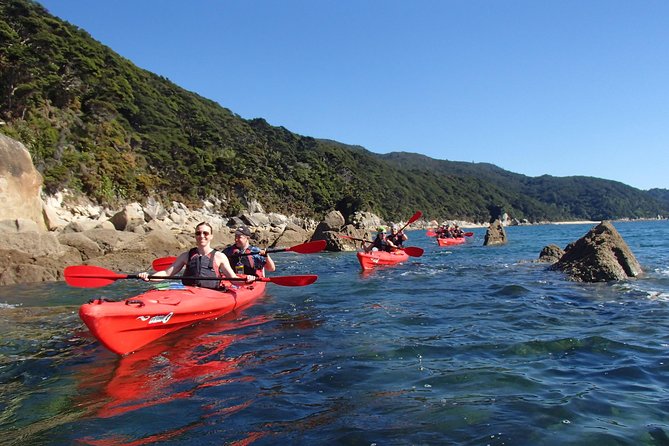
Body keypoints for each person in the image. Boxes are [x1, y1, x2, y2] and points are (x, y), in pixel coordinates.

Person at [138, 222, 249, 289]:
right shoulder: (186, 256)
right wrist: (149, 277)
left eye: (205, 233)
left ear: (211, 236)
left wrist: (247, 281)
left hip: (211, 295)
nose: (201, 236)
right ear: (195, 236)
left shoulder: (220, 257)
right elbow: (166, 273)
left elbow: (233, 279)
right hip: (189, 293)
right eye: (198, 233)